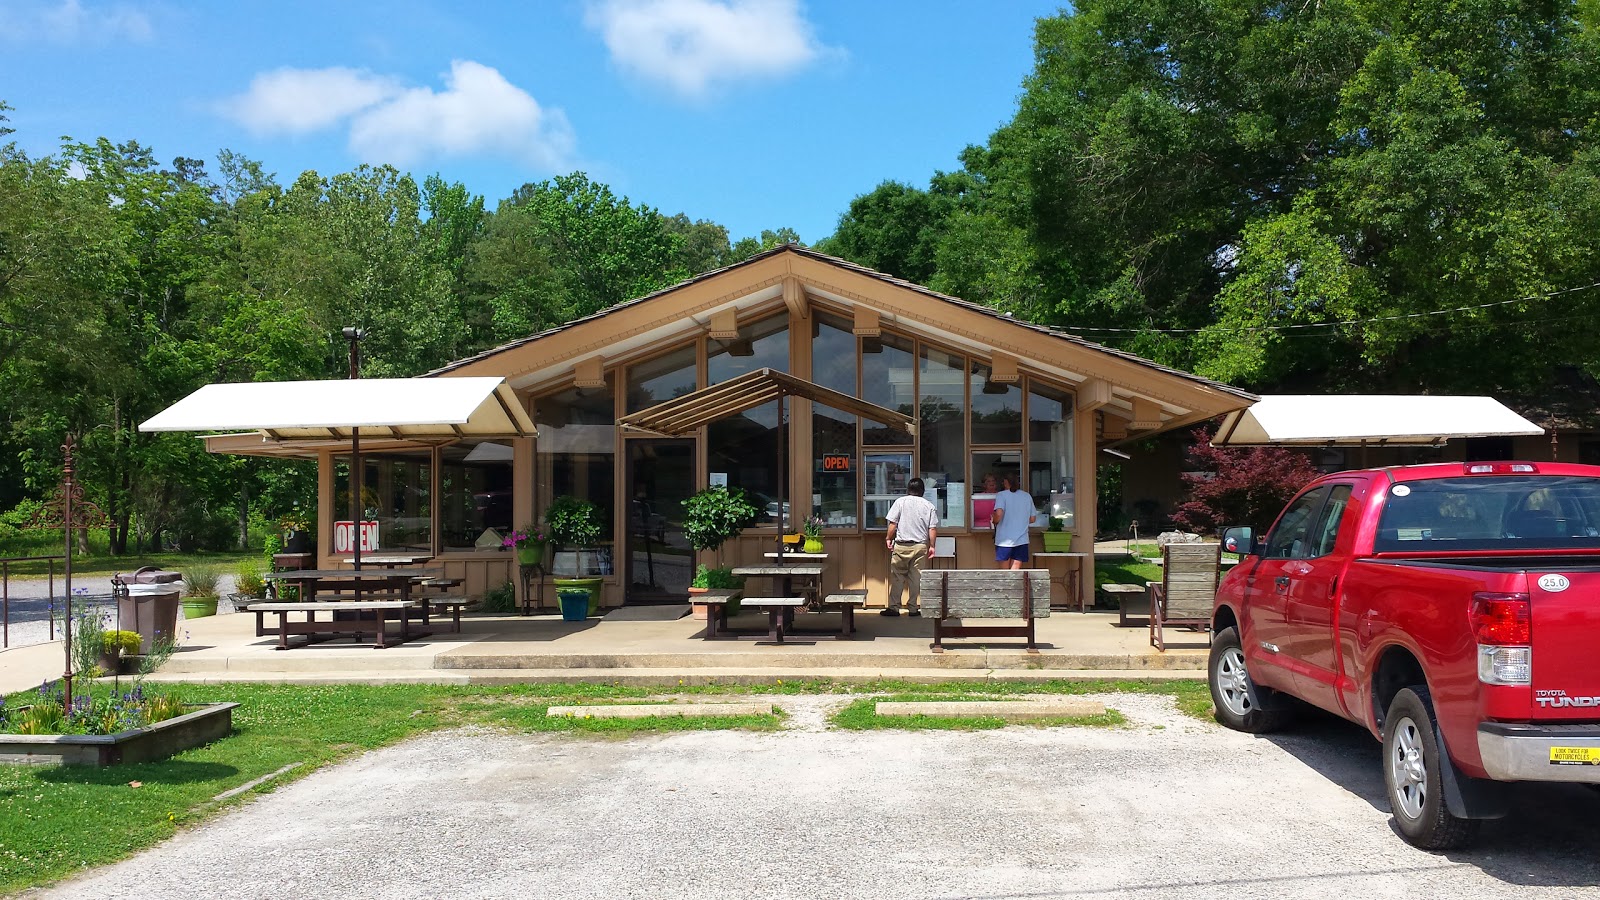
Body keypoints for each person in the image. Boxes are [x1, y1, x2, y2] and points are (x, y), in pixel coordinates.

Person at [883, 477, 938, 617]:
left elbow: (893, 524)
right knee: (916, 578)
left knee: (897, 577)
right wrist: (932, 546)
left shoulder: (900, 502)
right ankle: (913, 608)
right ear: (923, 491)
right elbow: (932, 529)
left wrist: (889, 538)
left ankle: (894, 607)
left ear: (908, 489)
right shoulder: (929, 505)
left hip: (902, 546)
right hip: (920, 546)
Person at [990, 473, 1037, 570]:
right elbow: (1032, 519)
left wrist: (993, 520)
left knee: (1005, 574)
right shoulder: (1026, 496)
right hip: (1021, 539)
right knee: (1015, 572)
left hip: (1004, 540)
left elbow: (998, 514)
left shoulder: (1001, 495)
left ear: (1005, 482)